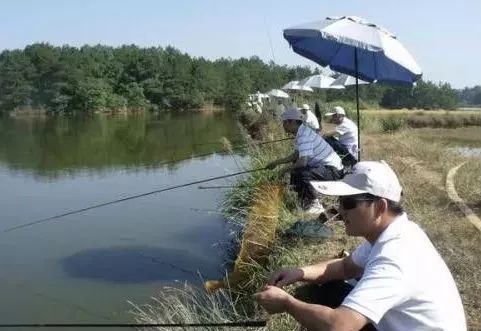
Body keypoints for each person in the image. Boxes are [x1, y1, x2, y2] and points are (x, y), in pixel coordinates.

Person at [255, 161, 466, 331]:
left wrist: (287, 304)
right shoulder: (393, 232)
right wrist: (298, 272)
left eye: (348, 203)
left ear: (380, 207)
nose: (340, 210)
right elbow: (346, 267)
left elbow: (340, 326)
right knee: (329, 287)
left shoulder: (395, 257)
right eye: (340, 201)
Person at [266, 108, 343, 215]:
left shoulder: (303, 136)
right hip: (327, 168)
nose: (283, 126)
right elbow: (296, 155)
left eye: (284, 123)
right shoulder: (301, 131)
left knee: (302, 172)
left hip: (333, 171)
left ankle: (314, 204)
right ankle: (303, 199)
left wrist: (284, 170)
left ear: (291, 122)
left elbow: (303, 162)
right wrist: (276, 163)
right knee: (296, 167)